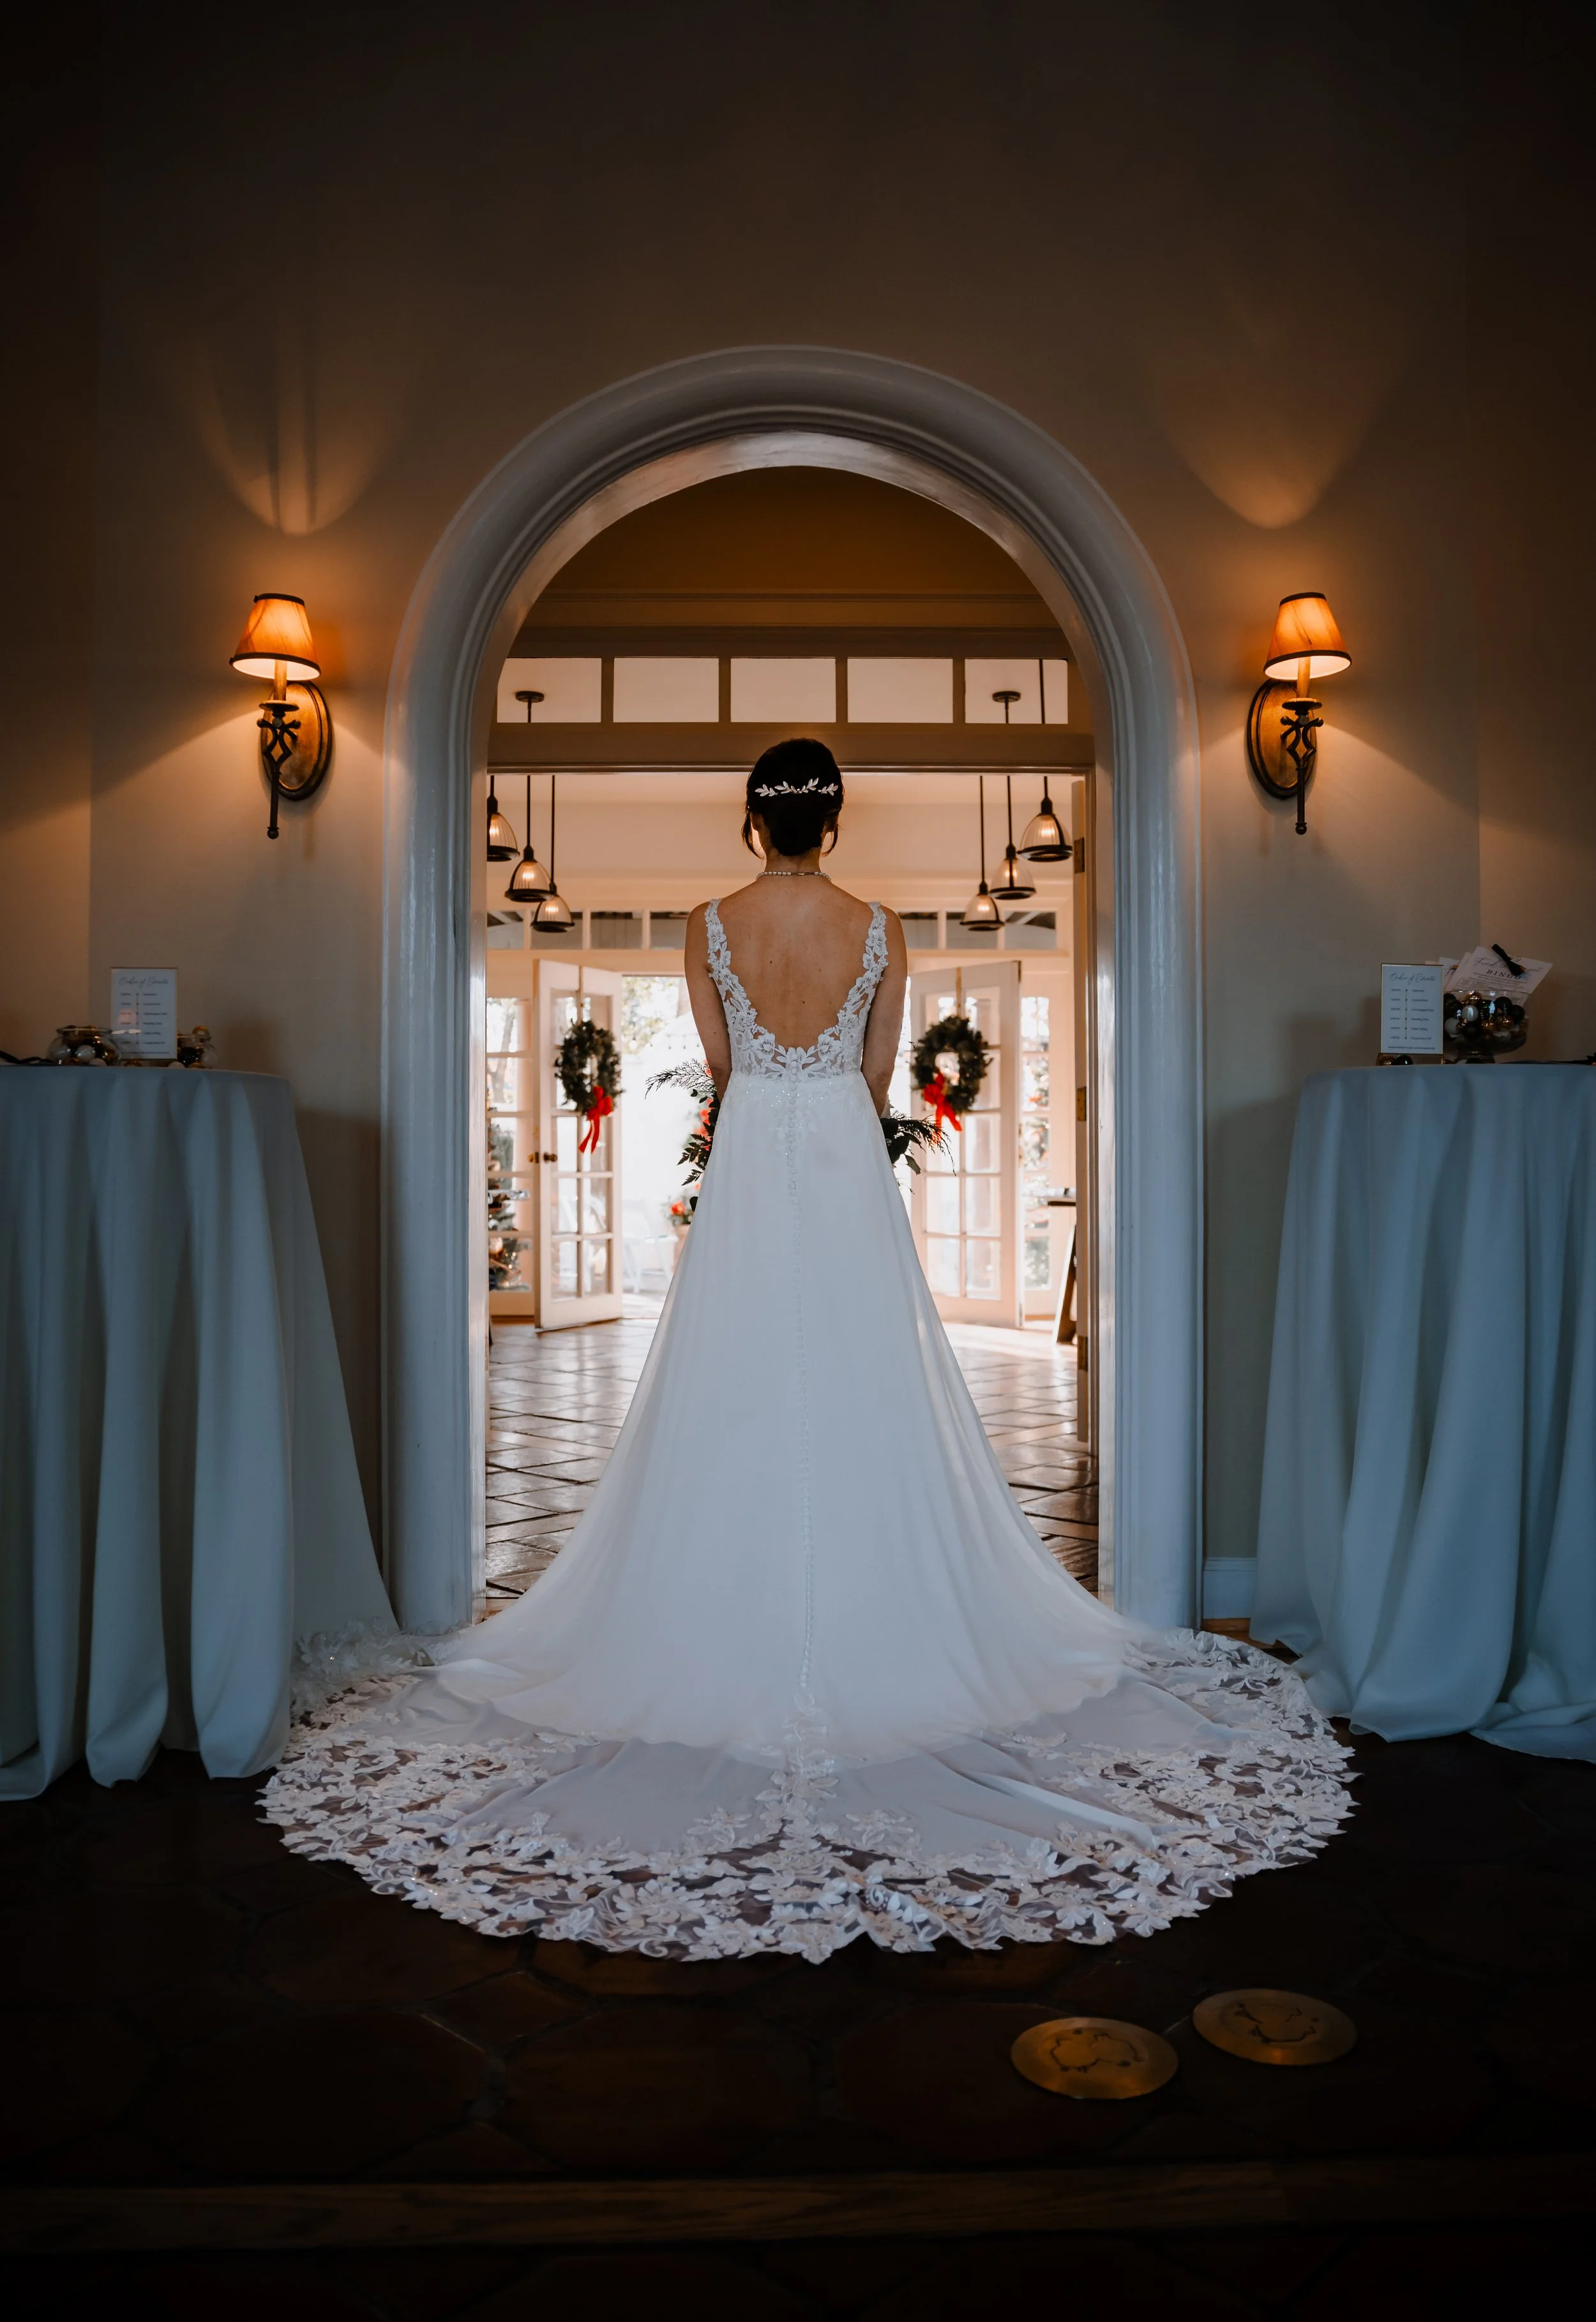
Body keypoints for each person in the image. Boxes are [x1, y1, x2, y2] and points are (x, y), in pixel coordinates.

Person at [266, 739, 1349, 1959]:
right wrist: (821, 1084)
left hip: (750, 1167)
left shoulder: (706, 923)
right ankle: (877, 1617)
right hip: (840, 1159)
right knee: (868, 1391)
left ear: (751, 818)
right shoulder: (880, 925)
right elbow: (880, 1074)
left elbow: (725, 1068)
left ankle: (716, 1618)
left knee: (723, 1397)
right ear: (833, 818)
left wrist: (774, 1079)